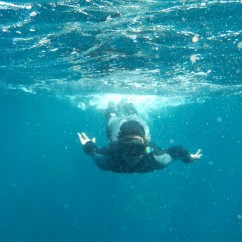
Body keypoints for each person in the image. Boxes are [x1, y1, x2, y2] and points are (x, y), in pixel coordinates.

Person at [77, 100, 202, 173]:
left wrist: (88, 145)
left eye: (137, 149)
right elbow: (178, 151)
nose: (132, 156)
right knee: (111, 116)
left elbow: (94, 152)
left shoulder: (106, 161)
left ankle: (124, 103)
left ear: (146, 144)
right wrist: (188, 158)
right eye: (128, 149)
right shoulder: (156, 160)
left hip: (131, 129)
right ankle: (113, 106)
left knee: (129, 113)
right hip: (122, 128)